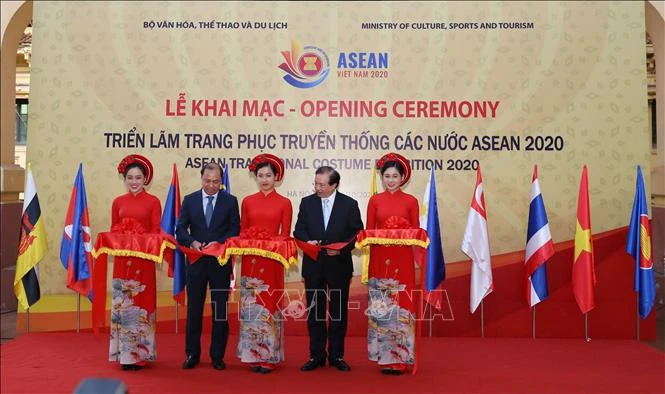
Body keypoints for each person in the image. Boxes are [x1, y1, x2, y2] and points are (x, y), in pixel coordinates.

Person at [294, 166, 364, 372]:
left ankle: (336, 356)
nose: (317, 188)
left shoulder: (349, 204)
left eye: (322, 185)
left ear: (334, 185)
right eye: (315, 183)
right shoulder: (307, 203)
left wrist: (341, 249)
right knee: (315, 311)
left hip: (339, 266)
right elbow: (299, 229)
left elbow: (356, 232)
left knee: (338, 312)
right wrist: (308, 240)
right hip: (313, 264)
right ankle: (316, 356)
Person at [176, 162, 240, 371]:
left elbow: (235, 230)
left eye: (216, 181)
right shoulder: (190, 200)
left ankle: (217, 355)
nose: (211, 185)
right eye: (207, 181)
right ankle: (192, 353)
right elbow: (180, 228)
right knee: (194, 309)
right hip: (196, 262)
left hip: (220, 263)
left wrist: (219, 242)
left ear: (221, 181)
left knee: (219, 311)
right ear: (201, 178)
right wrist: (192, 242)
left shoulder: (230, 201)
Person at [236, 154, 292, 374]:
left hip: (272, 261)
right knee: (251, 305)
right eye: (260, 175)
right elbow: (242, 231)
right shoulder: (248, 201)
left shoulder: (284, 203)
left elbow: (285, 235)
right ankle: (252, 355)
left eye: (269, 175)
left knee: (269, 304)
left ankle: (269, 356)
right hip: (250, 261)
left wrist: (269, 244)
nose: (264, 179)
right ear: (255, 177)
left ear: (276, 177)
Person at [365, 152, 419, 375]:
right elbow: (368, 231)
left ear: (402, 177)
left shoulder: (411, 201)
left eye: (395, 176)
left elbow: (417, 233)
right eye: (386, 175)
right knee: (382, 305)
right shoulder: (375, 200)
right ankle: (384, 357)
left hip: (403, 260)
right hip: (380, 258)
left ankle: (400, 358)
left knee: (401, 304)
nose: (390, 180)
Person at [108, 154, 162, 371]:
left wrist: (139, 240)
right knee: (123, 305)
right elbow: (113, 230)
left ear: (145, 179)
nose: (134, 182)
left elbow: (157, 233)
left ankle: (140, 353)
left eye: (138, 177)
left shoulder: (153, 202)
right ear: (125, 179)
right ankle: (123, 354)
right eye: (130, 177)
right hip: (122, 261)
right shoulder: (118, 202)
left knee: (142, 304)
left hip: (144, 261)